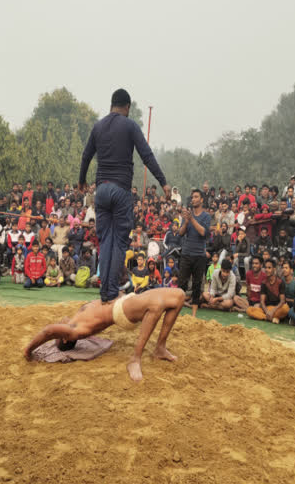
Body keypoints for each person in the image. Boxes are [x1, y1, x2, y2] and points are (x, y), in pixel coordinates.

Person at [79, 88, 169, 303]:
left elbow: (86, 155)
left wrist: (82, 180)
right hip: (120, 190)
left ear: (111, 104)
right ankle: (111, 291)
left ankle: (105, 292)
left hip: (101, 191)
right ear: (127, 107)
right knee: (119, 242)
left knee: (106, 241)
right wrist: (163, 182)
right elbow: (146, 155)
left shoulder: (98, 126)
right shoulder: (130, 125)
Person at [24, 287, 185, 382]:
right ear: (66, 337)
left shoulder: (71, 319)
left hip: (126, 299)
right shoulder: (75, 331)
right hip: (120, 312)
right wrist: (28, 350)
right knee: (156, 304)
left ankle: (160, 347)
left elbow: (61, 322)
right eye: (61, 334)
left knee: (179, 295)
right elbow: (48, 331)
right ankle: (135, 358)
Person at [178, 189, 211, 317]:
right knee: (182, 284)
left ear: (202, 199)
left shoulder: (206, 216)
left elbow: (203, 233)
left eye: (196, 197)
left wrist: (191, 219)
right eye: (192, 197)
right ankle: (178, 313)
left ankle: (193, 315)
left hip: (199, 255)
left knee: (197, 285)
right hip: (186, 253)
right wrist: (186, 222)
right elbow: (180, 233)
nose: (193, 199)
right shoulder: (187, 215)